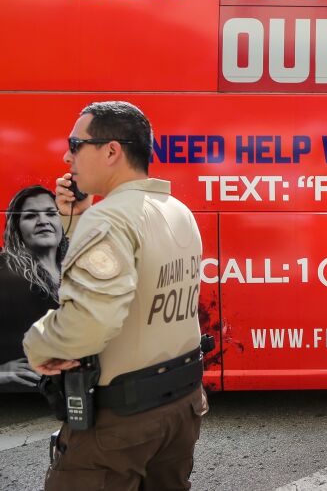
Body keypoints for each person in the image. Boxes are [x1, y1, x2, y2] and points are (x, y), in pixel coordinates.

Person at [23, 101, 208, 491]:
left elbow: (89, 323)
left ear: (111, 151)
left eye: (75, 144)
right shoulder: (177, 209)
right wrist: (76, 221)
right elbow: (134, 287)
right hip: (181, 405)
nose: (66, 155)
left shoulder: (109, 221)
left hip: (121, 421)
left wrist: (37, 346)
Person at [0, 185, 65, 390]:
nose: (43, 221)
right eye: (30, 216)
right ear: (16, 226)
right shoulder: (4, 269)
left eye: (50, 213)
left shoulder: (81, 262)